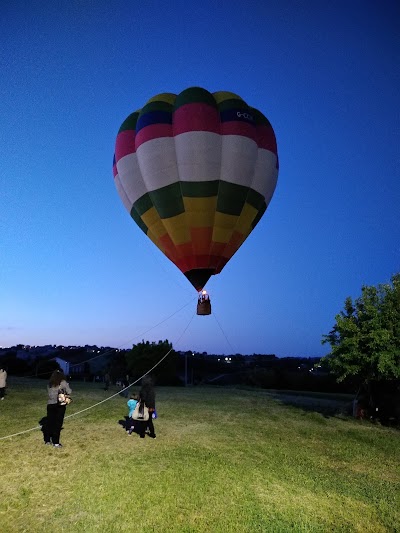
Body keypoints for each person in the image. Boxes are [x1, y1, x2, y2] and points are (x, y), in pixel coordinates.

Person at [43, 369, 72, 447]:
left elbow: (49, 394)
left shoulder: (49, 383)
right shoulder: (63, 382)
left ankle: (47, 440)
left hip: (50, 405)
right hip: (59, 405)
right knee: (58, 424)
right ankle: (55, 442)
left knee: (50, 423)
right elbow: (69, 391)